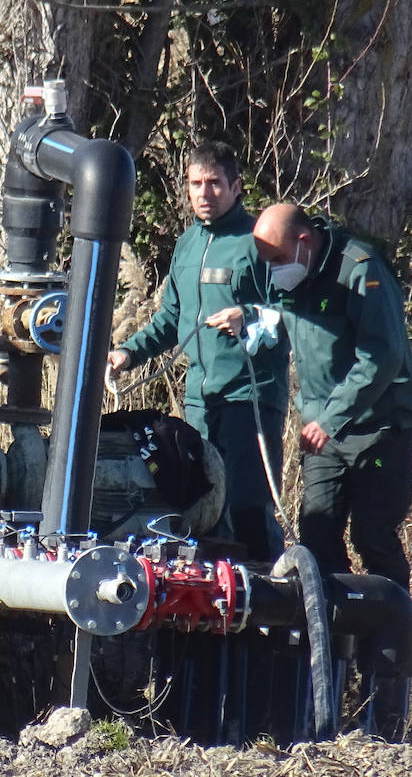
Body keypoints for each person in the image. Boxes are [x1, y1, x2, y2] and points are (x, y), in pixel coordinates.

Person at [212, 203, 412, 589]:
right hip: (322, 430)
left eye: (276, 259)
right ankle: (338, 630)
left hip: (379, 427)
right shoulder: (290, 272)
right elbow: (278, 313)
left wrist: (329, 419)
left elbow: (382, 356)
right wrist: (248, 315)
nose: (273, 270)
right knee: (317, 535)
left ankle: (396, 630)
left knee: (372, 535)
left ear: (304, 241)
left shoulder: (360, 268)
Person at [107, 142, 290, 560]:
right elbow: (170, 319)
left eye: (214, 183)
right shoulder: (187, 244)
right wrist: (128, 353)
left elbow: (291, 314)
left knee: (248, 506)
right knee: (204, 508)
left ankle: (273, 608)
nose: (204, 193)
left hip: (250, 398)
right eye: (195, 184)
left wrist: (248, 315)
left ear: (236, 186)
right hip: (199, 403)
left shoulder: (258, 241)